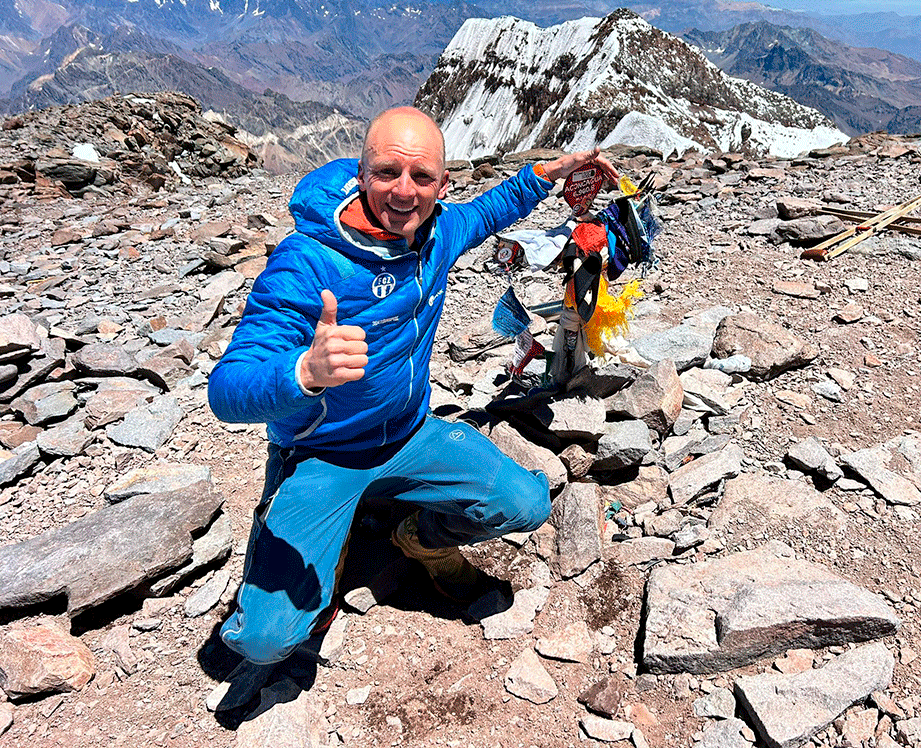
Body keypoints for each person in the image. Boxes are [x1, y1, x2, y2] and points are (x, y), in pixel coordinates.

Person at [207, 106, 618, 678]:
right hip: (322, 453)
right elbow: (226, 390)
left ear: (441, 184)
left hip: (407, 434)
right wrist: (302, 372)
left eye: (422, 178)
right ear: (360, 172)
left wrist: (547, 174)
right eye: (386, 173)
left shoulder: (436, 232)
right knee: (264, 642)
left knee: (526, 502)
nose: (403, 192)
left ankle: (414, 538)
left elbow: (487, 211)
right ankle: (311, 521)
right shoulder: (305, 264)